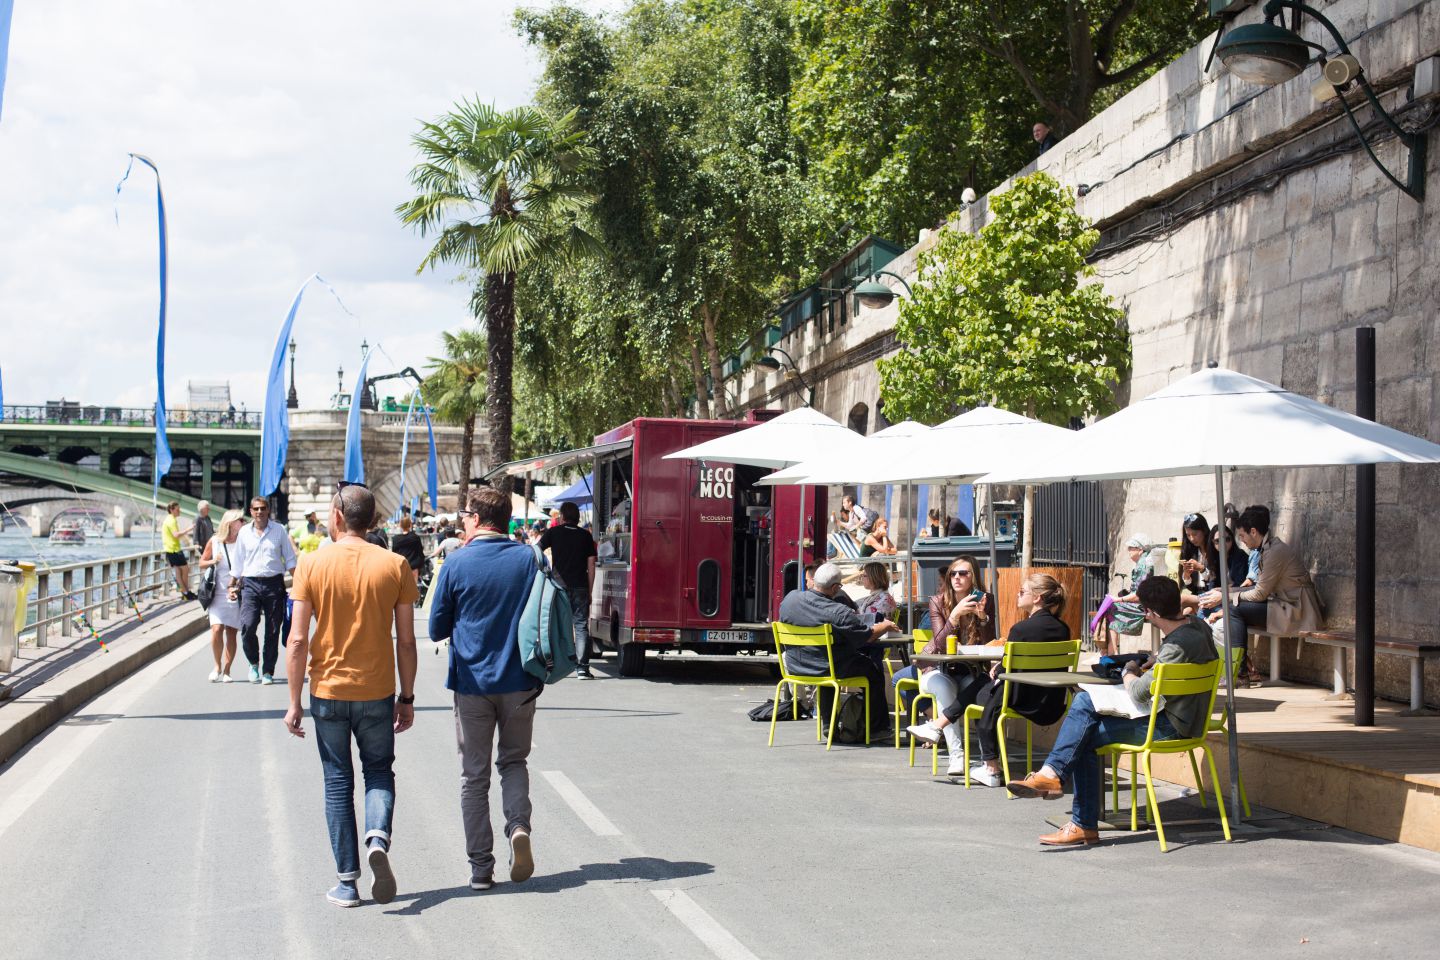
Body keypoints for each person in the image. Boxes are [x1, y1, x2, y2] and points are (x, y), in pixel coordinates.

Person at [284, 483, 418, 908]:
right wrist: (408, 696)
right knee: (379, 771)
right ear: (373, 521)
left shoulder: (311, 563)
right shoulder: (395, 564)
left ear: (339, 517)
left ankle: (346, 882)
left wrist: (293, 702)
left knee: (337, 781)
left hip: (327, 690)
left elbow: (298, 639)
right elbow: (407, 641)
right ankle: (377, 836)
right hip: (377, 688)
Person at [1007, 577, 1219, 846]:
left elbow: (1140, 692)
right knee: (1085, 710)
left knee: (1084, 728)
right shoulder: (1198, 627)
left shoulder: (1173, 648)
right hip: (1186, 717)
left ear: (1150, 614)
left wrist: (1130, 670)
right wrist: (1154, 660)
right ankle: (1055, 783)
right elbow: (1185, 624)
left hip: (1171, 725)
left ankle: (1069, 803)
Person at [429, 486, 542, 892]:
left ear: (477, 519)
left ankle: (481, 869)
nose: (462, 521)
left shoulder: (457, 563)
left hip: (472, 684)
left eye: (465, 515)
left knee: (473, 777)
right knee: (513, 762)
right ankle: (518, 829)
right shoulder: (528, 559)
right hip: (520, 681)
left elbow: (436, 627)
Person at [955, 573, 1072, 787]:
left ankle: (991, 766)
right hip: (1052, 700)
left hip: (1020, 699)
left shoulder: (1021, 630)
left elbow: (1009, 669)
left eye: (1022, 592)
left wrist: (998, 669)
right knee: (987, 692)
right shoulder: (1063, 629)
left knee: (982, 693)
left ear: (1037, 598)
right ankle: (989, 763)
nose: (1018, 595)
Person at [777, 562, 898, 742]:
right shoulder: (839, 612)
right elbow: (867, 636)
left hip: (796, 667)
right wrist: (885, 625)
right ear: (835, 588)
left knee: (828, 662)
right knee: (872, 669)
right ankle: (876, 729)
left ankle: (828, 724)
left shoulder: (790, 599)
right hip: (827, 666)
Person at [899, 556, 997, 774]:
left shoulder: (986, 600)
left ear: (974, 577)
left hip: (972, 669)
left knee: (979, 689)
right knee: (944, 689)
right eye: (953, 573)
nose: (957, 578)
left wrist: (982, 619)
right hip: (938, 669)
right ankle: (957, 756)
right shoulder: (938, 601)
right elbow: (939, 644)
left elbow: (991, 643)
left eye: (964, 573)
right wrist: (953, 617)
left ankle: (987, 762)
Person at [1197, 504, 1324, 665]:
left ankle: (1239, 669)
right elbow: (1259, 588)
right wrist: (1225, 590)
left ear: (1254, 532)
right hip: (1284, 605)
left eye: (1242, 536)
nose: (1241, 541)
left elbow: (1259, 594)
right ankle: (1242, 667)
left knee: (1233, 609)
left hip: (1297, 611)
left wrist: (1225, 596)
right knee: (1233, 607)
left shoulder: (1274, 552)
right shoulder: (1269, 548)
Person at [230, 495, 298, 684]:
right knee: (248, 625)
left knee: (273, 630)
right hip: (250, 583)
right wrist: (231, 584)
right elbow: (238, 562)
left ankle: (268, 670)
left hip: (273, 583)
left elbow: (290, 559)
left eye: (262, 508)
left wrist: (300, 582)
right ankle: (253, 663)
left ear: (268, 510)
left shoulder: (279, 531)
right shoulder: (244, 532)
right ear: (250, 512)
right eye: (255, 509)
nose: (259, 512)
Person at [538, 501, 598, 679]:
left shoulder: (553, 532)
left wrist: (544, 569)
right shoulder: (585, 536)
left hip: (558, 586)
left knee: (556, 624)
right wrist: (590, 590)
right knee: (580, 626)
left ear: (562, 516)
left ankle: (555, 663)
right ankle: (582, 668)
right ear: (577, 517)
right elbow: (591, 565)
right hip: (580, 585)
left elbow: (536, 549)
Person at [198, 508, 245, 682]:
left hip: (235, 592)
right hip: (217, 593)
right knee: (217, 629)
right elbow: (201, 563)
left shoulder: (243, 541)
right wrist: (213, 560)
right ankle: (217, 665)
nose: (243, 522)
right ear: (230, 523)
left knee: (231, 632)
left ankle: (227, 670)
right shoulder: (215, 541)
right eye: (239, 520)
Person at [1101, 534, 1153, 654]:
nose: (1128, 550)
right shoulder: (1144, 561)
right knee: (1108, 607)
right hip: (1145, 604)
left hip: (1144, 606)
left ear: (1140, 550)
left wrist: (1118, 599)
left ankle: (1110, 652)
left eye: (1131, 548)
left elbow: (1138, 595)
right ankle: (1110, 651)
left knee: (1109, 607)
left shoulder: (1143, 564)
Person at [161, 501, 196, 600]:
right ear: (171, 510)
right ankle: (186, 592)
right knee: (185, 569)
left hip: (170, 549)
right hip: (174, 549)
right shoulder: (171, 520)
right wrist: (188, 529)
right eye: (177, 509)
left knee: (179, 571)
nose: (179, 511)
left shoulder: (169, 519)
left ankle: (185, 592)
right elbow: (176, 535)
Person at [1176, 512, 1215, 596]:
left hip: (1213, 594)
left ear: (1204, 530)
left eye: (1195, 534)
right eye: (1188, 535)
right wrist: (1187, 575)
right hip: (1198, 594)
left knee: (1183, 601)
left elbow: (1216, 580)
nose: (1192, 538)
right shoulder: (1190, 551)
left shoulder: (1214, 550)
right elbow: (1192, 588)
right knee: (1186, 609)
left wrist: (1202, 569)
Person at [389, 516, 425, 585]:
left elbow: (394, 555)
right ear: (410, 525)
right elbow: (420, 553)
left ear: (400, 525)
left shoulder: (395, 539)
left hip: (401, 568)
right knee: (413, 591)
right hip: (413, 568)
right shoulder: (415, 538)